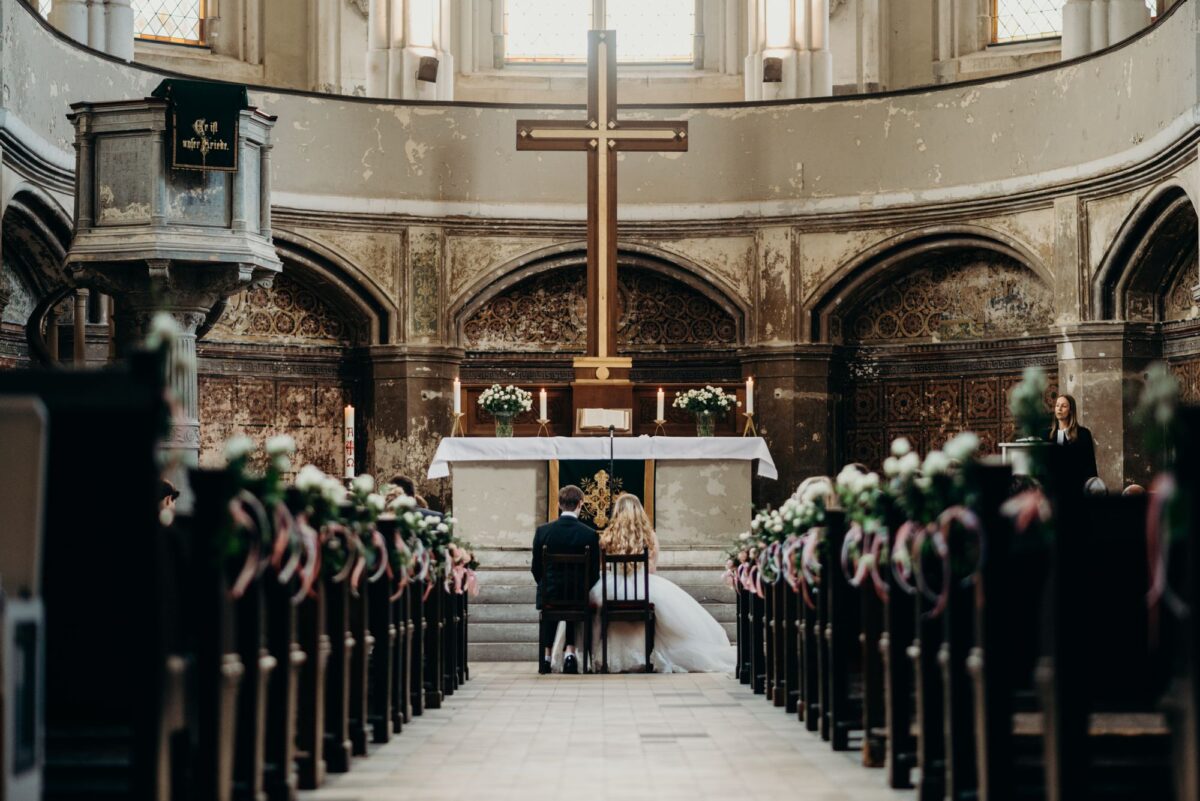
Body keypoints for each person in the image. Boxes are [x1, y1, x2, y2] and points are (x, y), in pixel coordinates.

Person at [574, 493, 736, 674]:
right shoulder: (650, 536)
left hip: (611, 589)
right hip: (642, 587)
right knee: (666, 608)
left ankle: (598, 658)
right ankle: (647, 655)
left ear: (617, 513)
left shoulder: (607, 537)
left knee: (594, 606)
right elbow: (651, 570)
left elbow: (603, 568)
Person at [531, 485, 599, 675]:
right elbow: (594, 573)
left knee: (554, 599)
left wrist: (546, 586)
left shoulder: (543, 532)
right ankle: (570, 654)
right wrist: (583, 588)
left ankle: (545, 656)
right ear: (580, 504)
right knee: (573, 596)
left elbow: (536, 568)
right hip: (578, 595)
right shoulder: (589, 534)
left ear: (559, 505)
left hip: (550, 594)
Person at [1045, 394, 1099, 495]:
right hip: (1053, 487)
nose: (1059, 409)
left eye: (1064, 406)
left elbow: (1090, 464)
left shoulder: (1083, 433)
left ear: (1071, 410)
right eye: (1057, 405)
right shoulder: (1047, 435)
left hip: (1077, 486)